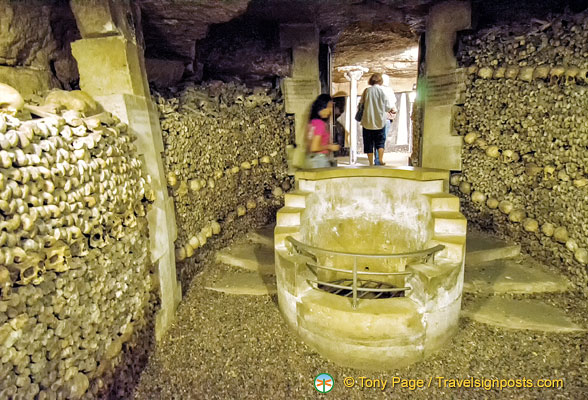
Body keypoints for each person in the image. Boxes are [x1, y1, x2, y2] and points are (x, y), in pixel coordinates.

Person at [359, 73, 396, 166]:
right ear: (381, 81)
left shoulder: (366, 91)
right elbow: (388, 107)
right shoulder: (382, 91)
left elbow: (360, 105)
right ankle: (380, 159)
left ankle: (371, 163)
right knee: (380, 142)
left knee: (368, 143)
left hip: (367, 122)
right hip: (380, 121)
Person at [305, 94, 340, 168]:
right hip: (319, 161)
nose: (330, 110)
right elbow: (314, 147)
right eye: (329, 107)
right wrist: (329, 147)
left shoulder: (312, 122)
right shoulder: (320, 124)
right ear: (321, 107)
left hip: (310, 160)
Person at [374, 74, 397, 165]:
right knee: (381, 140)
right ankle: (378, 160)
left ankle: (377, 159)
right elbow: (392, 105)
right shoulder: (388, 90)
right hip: (385, 118)